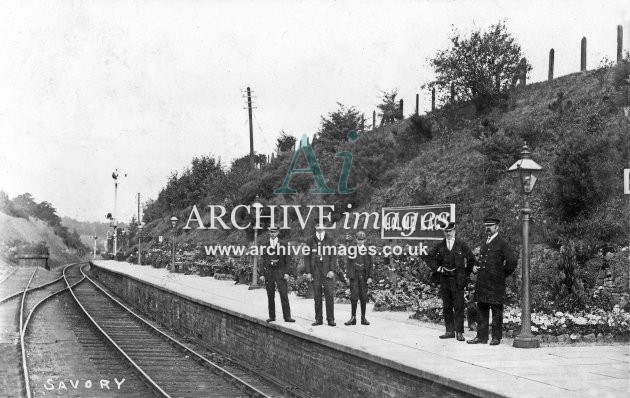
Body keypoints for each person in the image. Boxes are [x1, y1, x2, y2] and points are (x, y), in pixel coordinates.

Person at [467, 217, 517, 345]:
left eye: (491, 225)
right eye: (486, 226)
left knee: (496, 311)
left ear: (497, 227)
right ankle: (481, 337)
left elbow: (512, 261)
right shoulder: (484, 242)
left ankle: (496, 338)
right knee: (482, 309)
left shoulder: (502, 243)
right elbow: (482, 260)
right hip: (483, 281)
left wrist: (501, 274)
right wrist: (475, 266)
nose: (488, 228)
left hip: (496, 283)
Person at [428, 222, 476, 341]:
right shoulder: (440, 245)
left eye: (450, 231)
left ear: (454, 231)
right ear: (444, 232)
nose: (448, 233)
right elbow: (429, 257)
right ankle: (449, 331)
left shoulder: (461, 244)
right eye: (446, 231)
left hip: (457, 280)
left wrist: (465, 273)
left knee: (459, 306)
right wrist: (437, 268)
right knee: (447, 306)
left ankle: (459, 332)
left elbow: (471, 259)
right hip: (444, 279)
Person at [304, 222, 337, 326]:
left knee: (329, 295)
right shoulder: (310, 240)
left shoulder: (330, 239)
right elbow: (307, 257)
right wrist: (308, 272)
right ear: (315, 226)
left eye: (322, 225)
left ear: (325, 227)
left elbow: (333, 256)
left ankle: (330, 319)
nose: (320, 228)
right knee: (317, 295)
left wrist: (332, 270)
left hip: (327, 270)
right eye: (318, 225)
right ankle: (318, 319)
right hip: (316, 269)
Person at [260, 226, 295, 323]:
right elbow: (262, 260)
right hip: (269, 273)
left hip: (280, 272)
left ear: (278, 233)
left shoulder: (284, 244)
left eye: (274, 232)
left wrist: (287, 272)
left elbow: (288, 260)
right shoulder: (265, 245)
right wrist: (262, 274)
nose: (273, 234)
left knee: (283, 294)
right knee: (270, 295)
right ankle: (272, 316)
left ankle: (287, 317)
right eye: (271, 232)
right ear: (269, 233)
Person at [343, 230, 373, 326]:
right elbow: (348, 263)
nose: (360, 241)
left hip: (364, 275)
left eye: (362, 240)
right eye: (358, 239)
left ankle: (363, 318)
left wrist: (370, 276)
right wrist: (348, 276)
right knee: (354, 296)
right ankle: (353, 318)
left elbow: (371, 264)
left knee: (364, 297)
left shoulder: (368, 250)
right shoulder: (352, 249)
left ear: (365, 240)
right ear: (356, 240)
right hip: (354, 275)